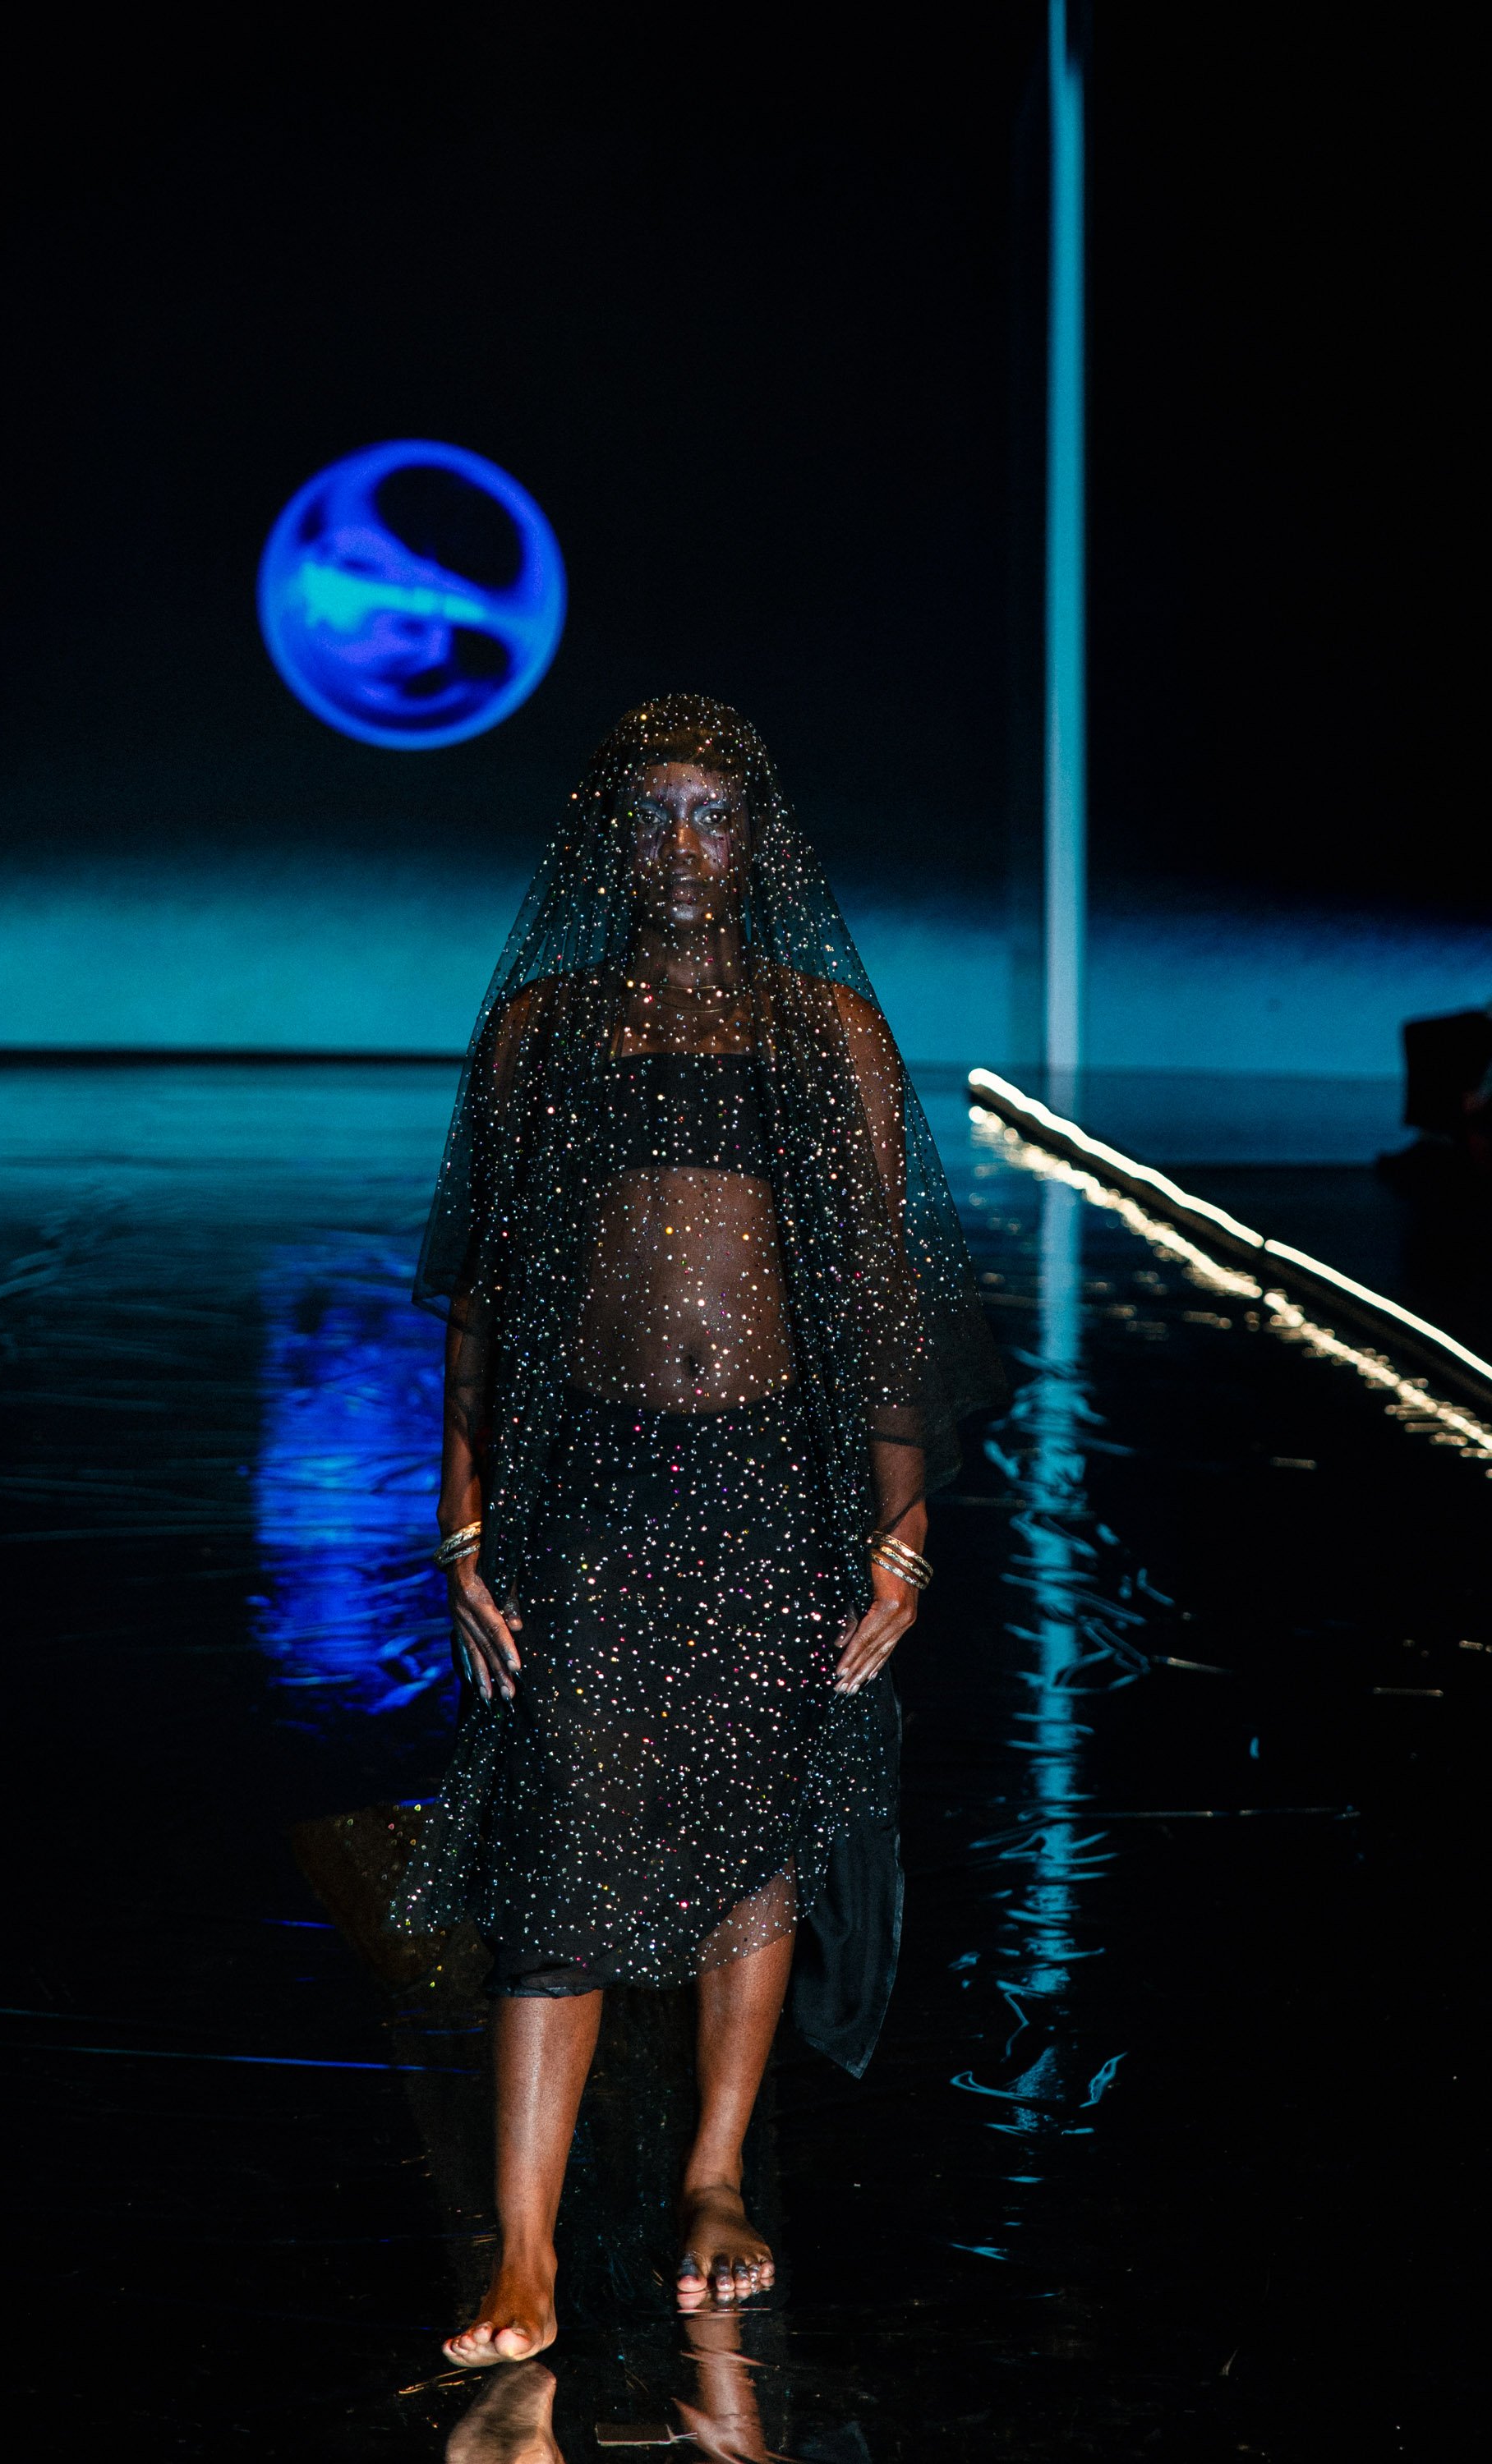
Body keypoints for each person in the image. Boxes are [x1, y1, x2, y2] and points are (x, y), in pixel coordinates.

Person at [395, 696, 1002, 2364]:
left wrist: (901, 1525)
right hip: (585, 1481)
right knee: (562, 1834)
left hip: (776, 1477)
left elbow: (878, 1293)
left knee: (758, 1821)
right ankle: (519, 2253)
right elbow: (481, 1307)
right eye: (649, 812)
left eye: (709, 813)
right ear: (608, 837)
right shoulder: (543, 1029)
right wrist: (459, 1526)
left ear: (756, 842)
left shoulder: (829, 1035)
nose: (678, 844)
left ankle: (716, 2180)